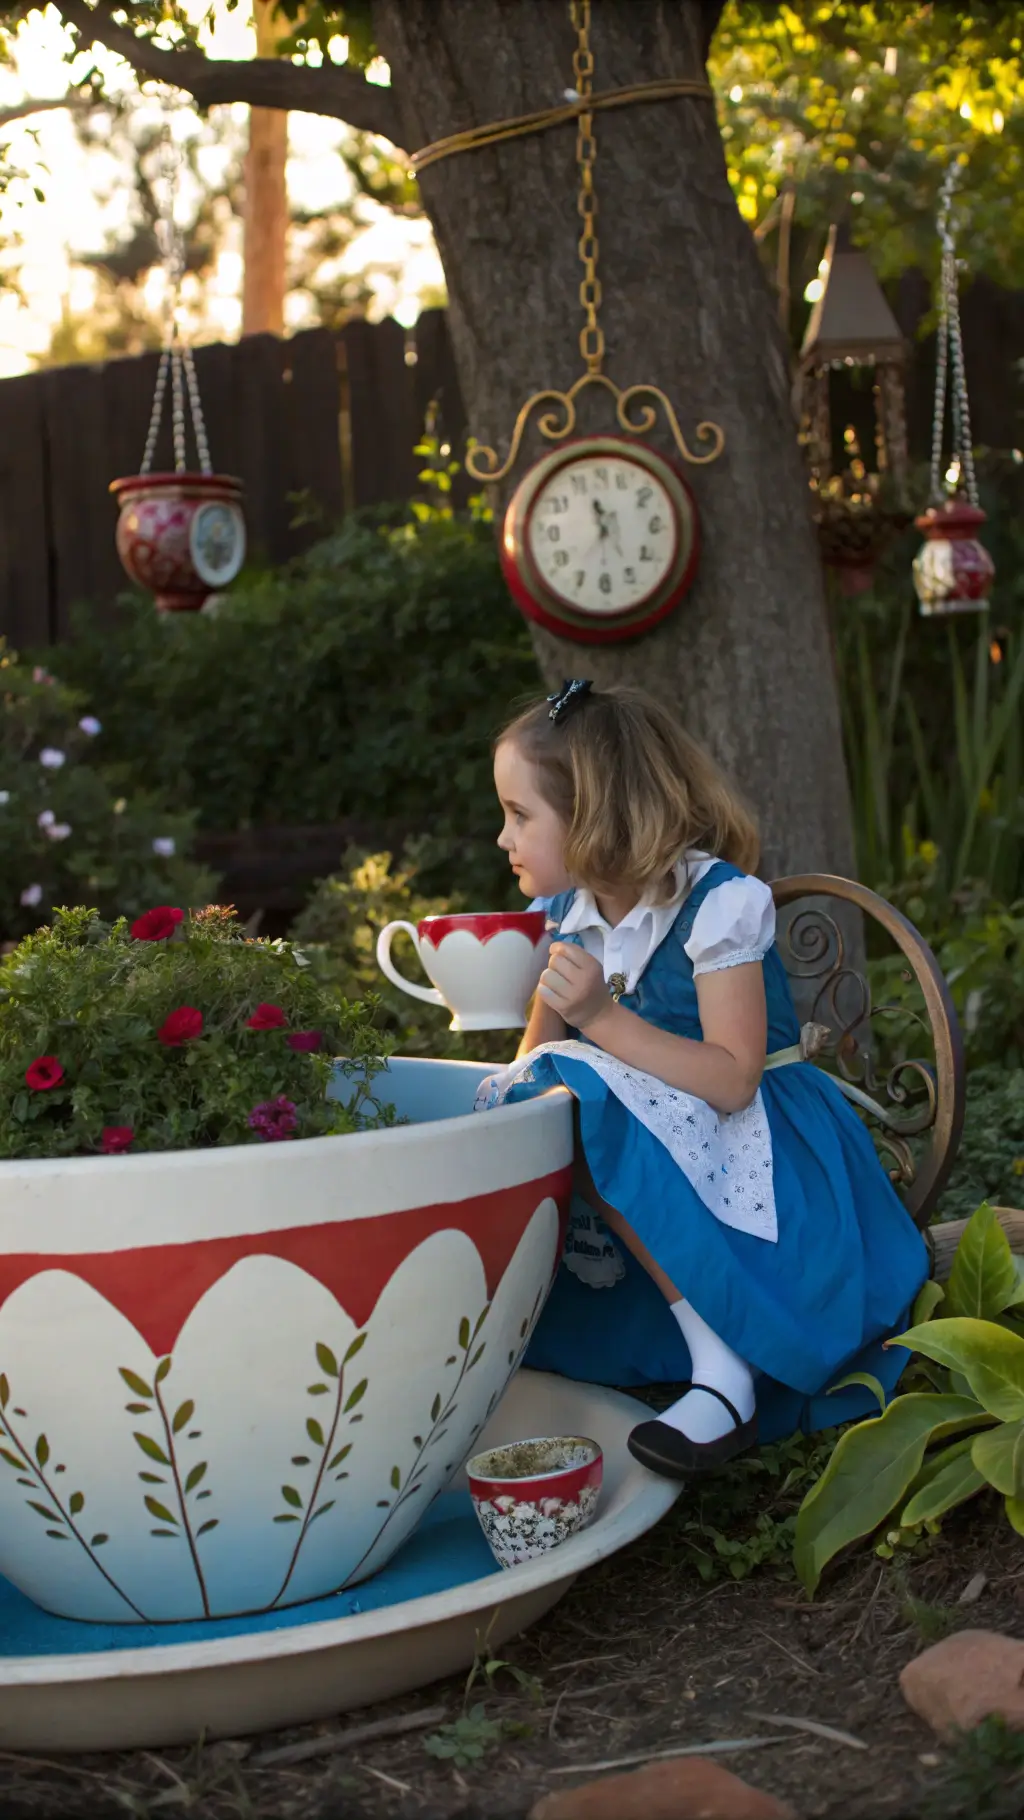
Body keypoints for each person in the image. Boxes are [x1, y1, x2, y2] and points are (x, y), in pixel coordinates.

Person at [477, 678, 929, 1480]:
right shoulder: (570, 916)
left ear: (592, 817)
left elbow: (732, 1081)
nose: (502, 838)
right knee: (531, 1096)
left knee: (583, 1083)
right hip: (653, 1141)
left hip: (764, 1147)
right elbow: (535, 1064)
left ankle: (724, 1376)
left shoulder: (719, 904)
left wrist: (604, 1021)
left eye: (519, 816)